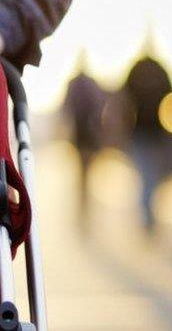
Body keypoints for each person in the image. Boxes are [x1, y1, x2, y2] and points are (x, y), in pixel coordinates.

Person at [121, 49, 172, 235]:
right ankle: (148, 216)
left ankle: (147, 215)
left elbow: (123, 98)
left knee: (148, 176)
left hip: (145, 132)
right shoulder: (158, 68)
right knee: (149, 176)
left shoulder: (137, 69)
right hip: (153, 132)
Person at [61, 51, 106, 232]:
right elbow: (101, 106)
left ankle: (82, 203)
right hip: (90, 134)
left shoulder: (73, 83)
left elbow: (66, 108)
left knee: (82, 171)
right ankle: (85, 204)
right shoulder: (93, 84)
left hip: (79, 134)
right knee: (86, 170)